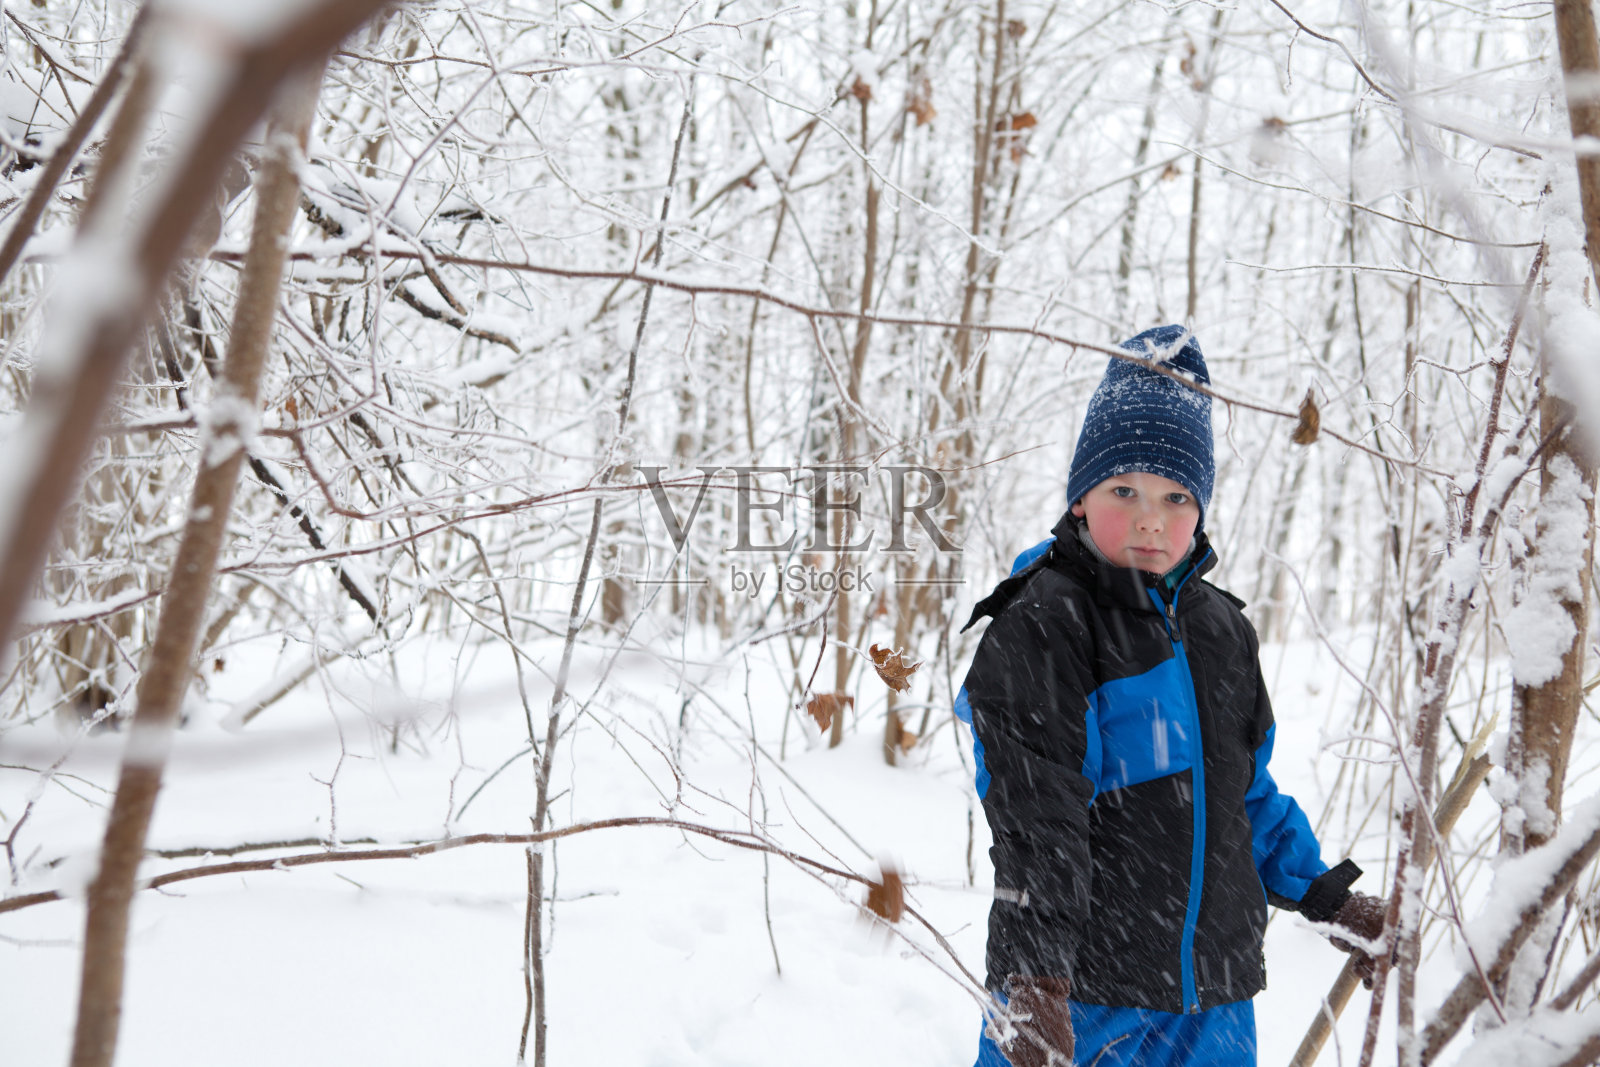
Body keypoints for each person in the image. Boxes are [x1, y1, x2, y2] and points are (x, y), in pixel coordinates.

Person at [954, 326, 1385, 1067]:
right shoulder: (1046, 623)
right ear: (1082, 499)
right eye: (1125, 489)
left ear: (1203, 507)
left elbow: (1242, 795)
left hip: (1213, 1002)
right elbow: (1035, 817)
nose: (1151, 517)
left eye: (1175, 495)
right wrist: (1033, 977)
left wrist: (1324, 893)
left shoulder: (1223, 630)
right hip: (1083, 994)